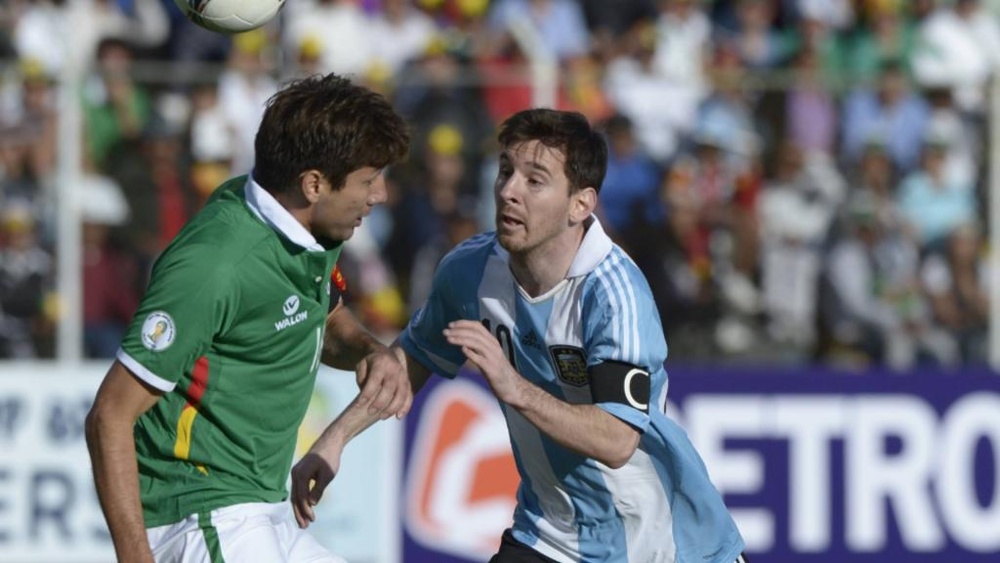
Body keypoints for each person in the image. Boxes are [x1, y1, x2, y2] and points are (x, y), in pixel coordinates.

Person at [292, 109, 747, 562]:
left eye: (535, 180)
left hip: (668, 547)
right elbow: (409, 362)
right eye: (506, 171)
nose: (509, 191)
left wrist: (515, 388)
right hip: (552, 538)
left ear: (580, 204)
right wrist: (335, 439)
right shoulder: (468, 271)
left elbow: (616, 440)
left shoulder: (613, 293)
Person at [84, 73, 413, 563]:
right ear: (314, 184)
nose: (380, 194)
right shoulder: (215, 265)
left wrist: (369, 350)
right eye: (369, 180)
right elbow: (109, 415)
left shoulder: (307, 224)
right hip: (199, 514)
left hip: (261, 509)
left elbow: (321, 318)